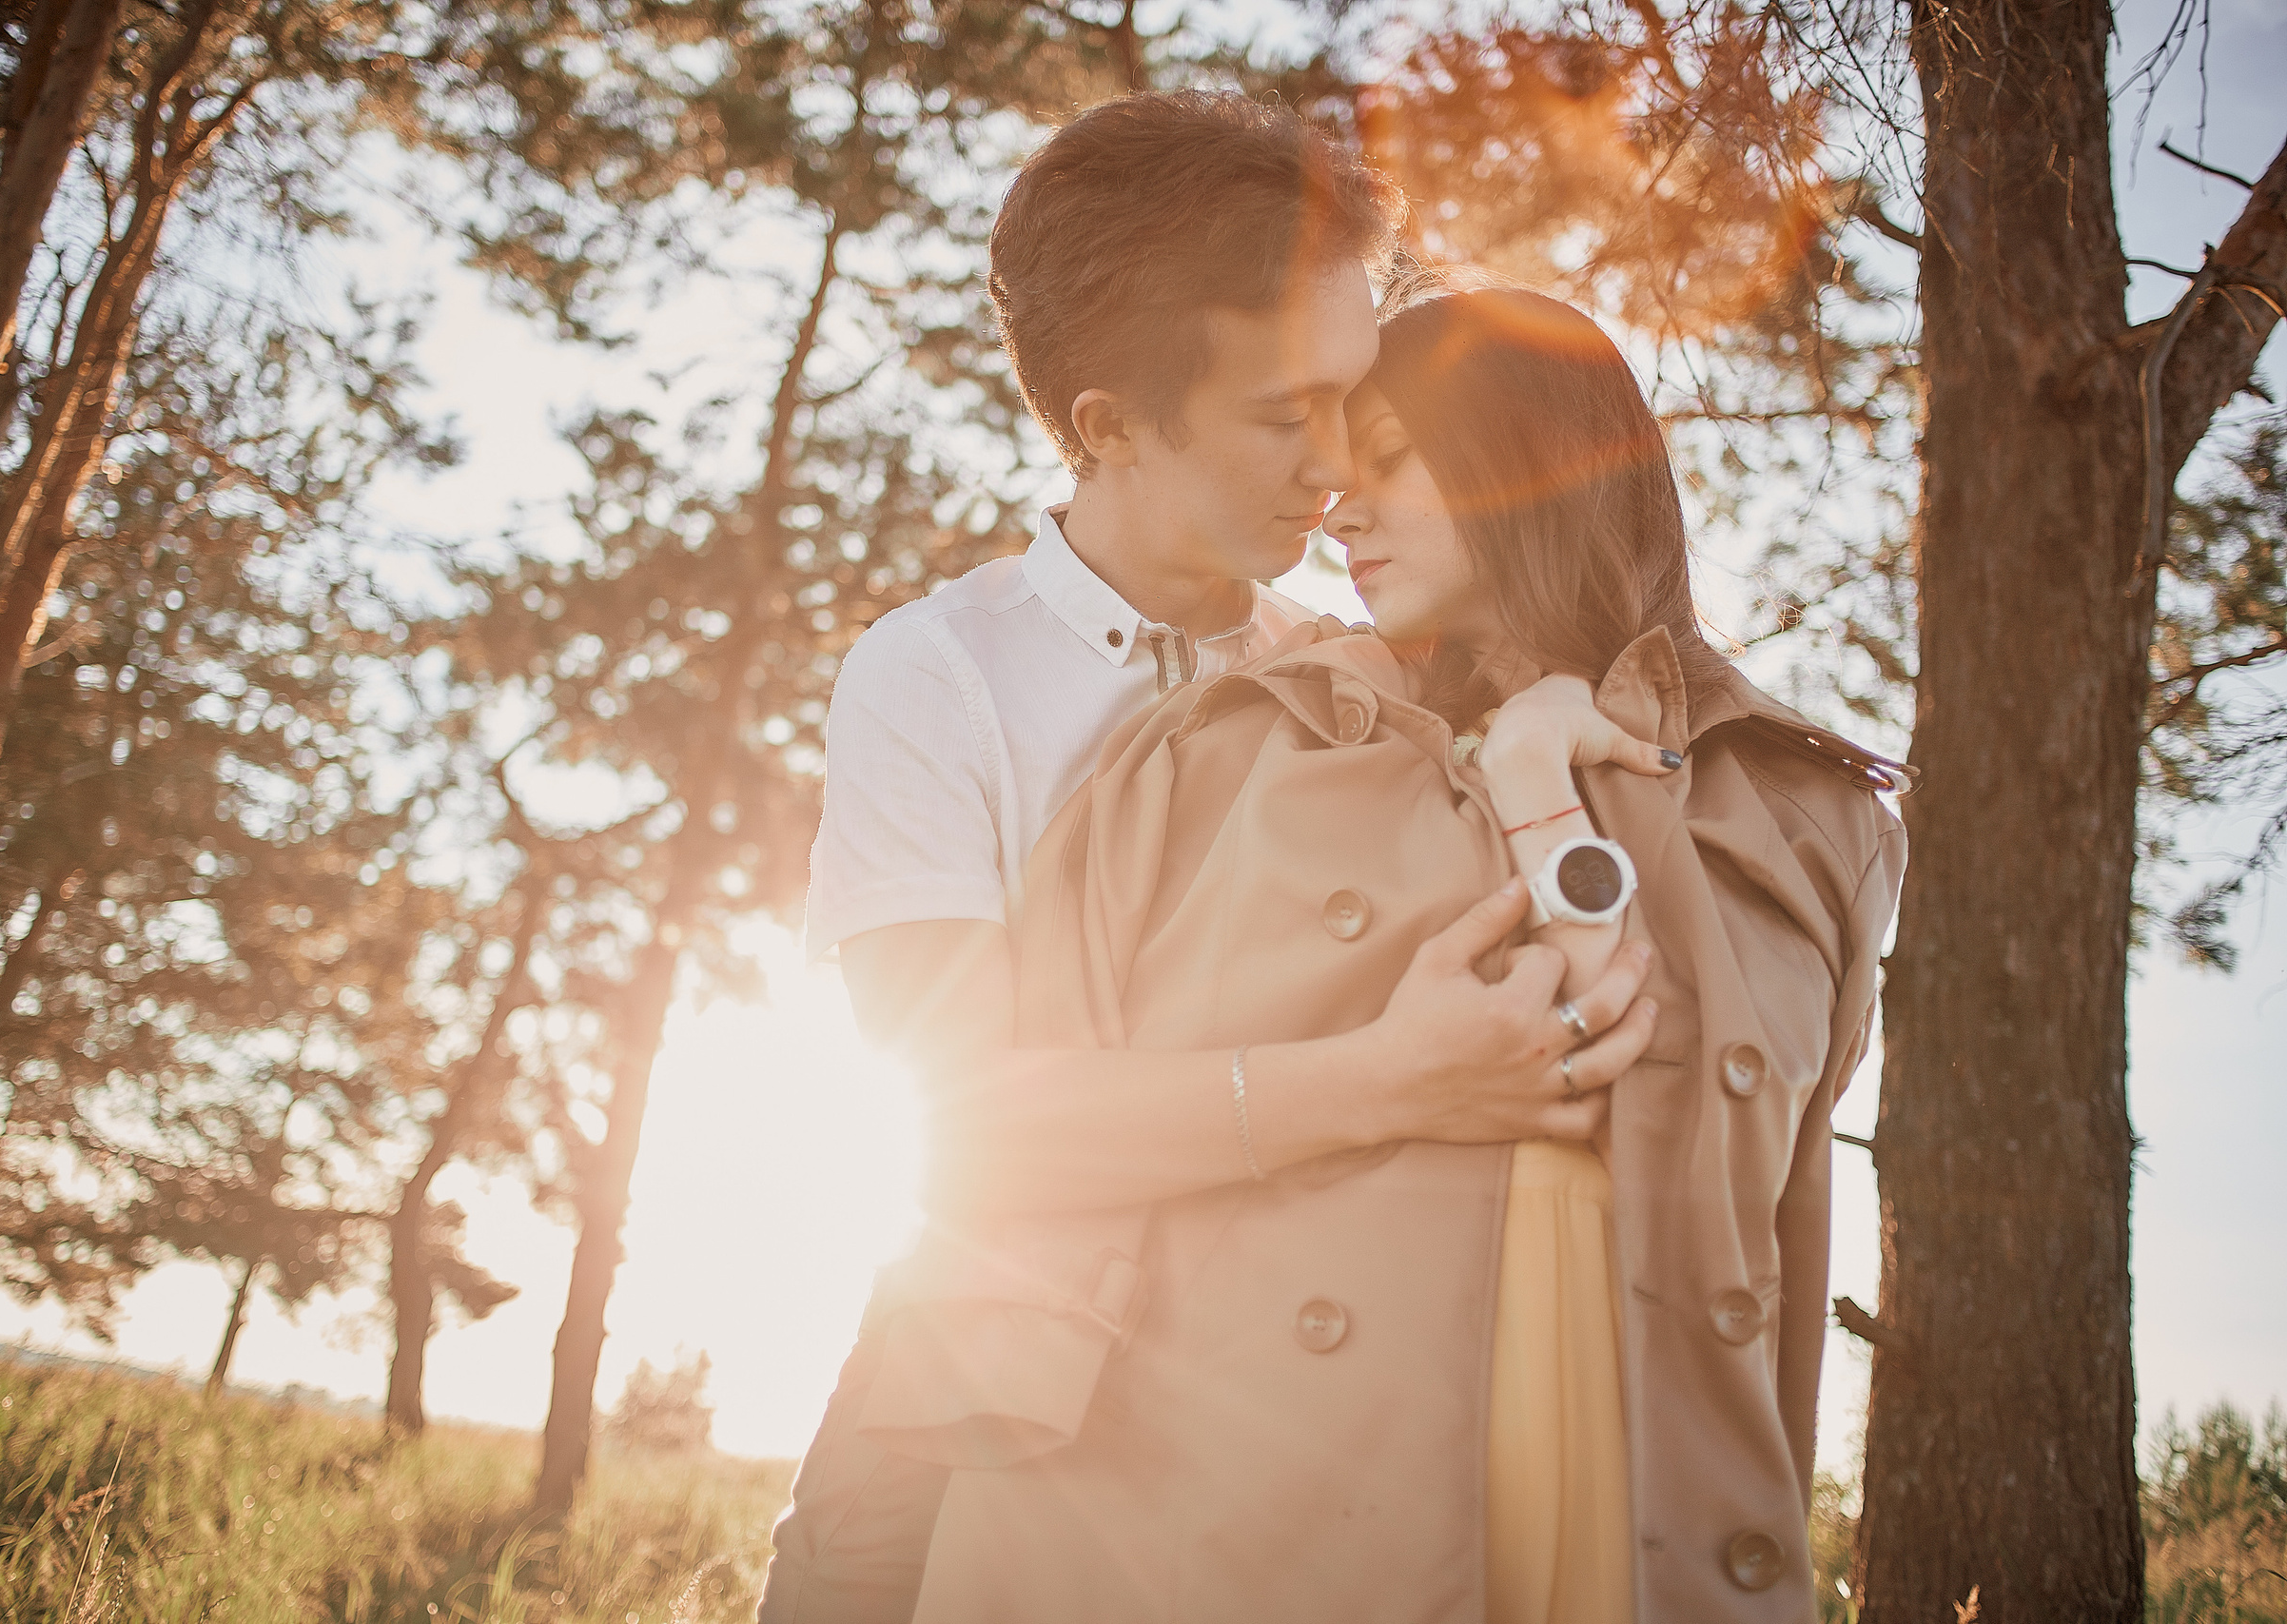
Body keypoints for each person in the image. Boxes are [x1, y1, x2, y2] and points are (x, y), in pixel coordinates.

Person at [757, 99, 1661, 1624]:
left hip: (1291, 1419)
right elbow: (977, 1127)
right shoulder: (941, 677)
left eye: (1354, 399)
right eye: (1279, 415)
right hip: (986, 1376)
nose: (1340, 465)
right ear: (1110, 425)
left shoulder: (1371, 659)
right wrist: (1388, 1081)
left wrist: (1554, 707)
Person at [897, 282, 1907, 1622]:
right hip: (1230, 1513)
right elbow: (983, 1129)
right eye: (1324, 464)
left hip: (1644, 1513)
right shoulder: (1226, 752)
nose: (1338, 506)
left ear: (1539, 461)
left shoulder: (1811, 819)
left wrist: (1549, 760)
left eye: (1388, 458)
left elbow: (1679, 1103)